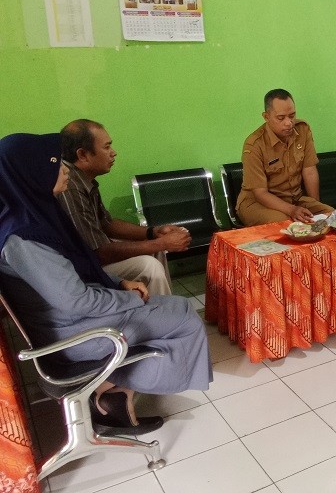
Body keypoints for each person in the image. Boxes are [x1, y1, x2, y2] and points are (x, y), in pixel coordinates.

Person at [0, 133, 212, 436]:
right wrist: (130, 299)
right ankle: (105, 389)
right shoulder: (24, 240)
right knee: (184, 319)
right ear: (29, 172)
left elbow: (77, 268)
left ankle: (113, 398)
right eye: (54, 162)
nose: (64, 168)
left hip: (71, 320)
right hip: (72, 333)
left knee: (174, 308)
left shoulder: (33, 216)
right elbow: (75, 300)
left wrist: (119, 282)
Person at [59, 120, 191, 295]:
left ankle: (164, 305)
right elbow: (99, 253)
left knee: (156, 250)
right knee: (149, 266)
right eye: (107, 147)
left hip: (94, 255)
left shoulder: (83, 179)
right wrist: (161, 243)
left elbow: (107, 223)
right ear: (83, 155)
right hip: (80, 268)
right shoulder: (70, 186)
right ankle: (163, 310)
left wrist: (153, 233)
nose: (113, 153)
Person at [237, 89, 333, 225]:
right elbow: (260, 193)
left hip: (294, 200)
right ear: (266, 117)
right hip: (257, 204)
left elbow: (310, 171)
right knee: (286, 223)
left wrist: (315, 208)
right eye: (281, 118)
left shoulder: (302, 130)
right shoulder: (254, 145)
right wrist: (292, 210)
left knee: (330, 217)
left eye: (292, 116)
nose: (289, 123)